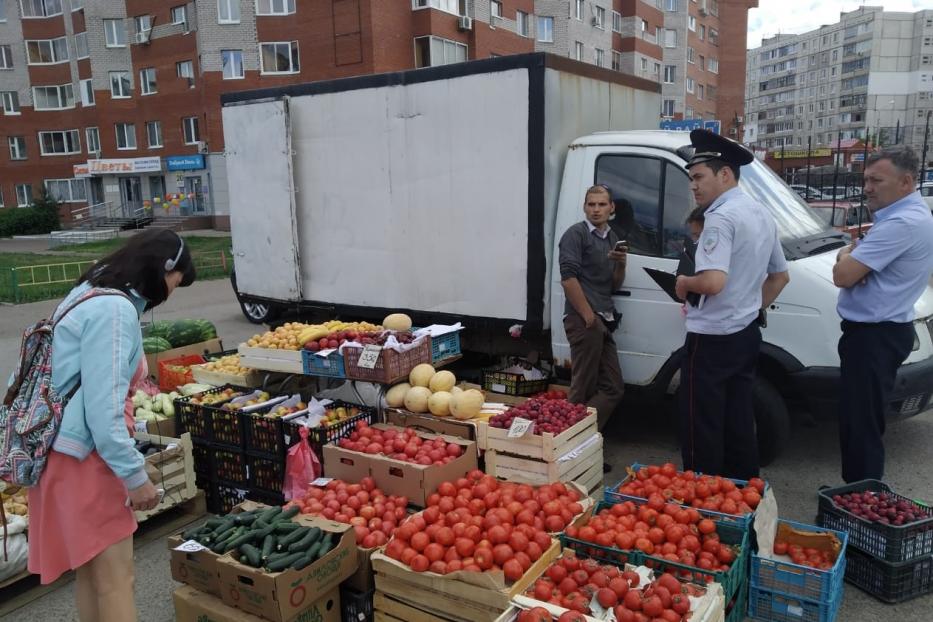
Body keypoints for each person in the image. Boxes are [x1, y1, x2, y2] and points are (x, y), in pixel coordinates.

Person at [27, 229, 195, 622]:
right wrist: (135, 477)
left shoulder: (86, 292)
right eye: (177, 281)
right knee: (119, 580)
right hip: (88, 458)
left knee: (92, 577)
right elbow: (103, 412)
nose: (173, 291)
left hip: (60, 452)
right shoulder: (115, 312)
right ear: (163, 268)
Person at [674, 129, 790, 480]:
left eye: (698, 177)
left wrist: (683, 283)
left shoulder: (719, 218)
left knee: (701, 425)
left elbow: (712, 282)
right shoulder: (760, 212)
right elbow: (780, 276)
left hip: (710, 339)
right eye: (691, 179)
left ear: (724, 174)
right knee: (739, 420)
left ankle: (704, 506)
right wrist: (752, 310)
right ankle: (744, 496)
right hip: (745, 334)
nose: (693, 186)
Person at [832, 145, 933, 483]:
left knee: (862, 425)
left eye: (876, 180)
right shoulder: (902, 216)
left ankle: (861, 503)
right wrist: (851, 257)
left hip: (875, 336)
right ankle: (857, 497)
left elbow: (843, 275)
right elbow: (853, 264)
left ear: (906, 182)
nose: (867, 187)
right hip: (880, 333)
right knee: (859, 419)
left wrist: (847, 256)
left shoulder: (902, 223)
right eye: (865, 179)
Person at [559, 184, 627, 438]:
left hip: (604, 319)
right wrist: (588, 317)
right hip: (584, 320)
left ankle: (582, 443)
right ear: (584, 207)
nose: (596, 209)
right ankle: (568, 452)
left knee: (613, 388)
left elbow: (613, 285)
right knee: (582, 389)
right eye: (591, 204)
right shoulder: (575, 235)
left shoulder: (612, 238)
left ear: (612, 208)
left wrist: (621, 265)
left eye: (601, 204)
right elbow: (568, 279)